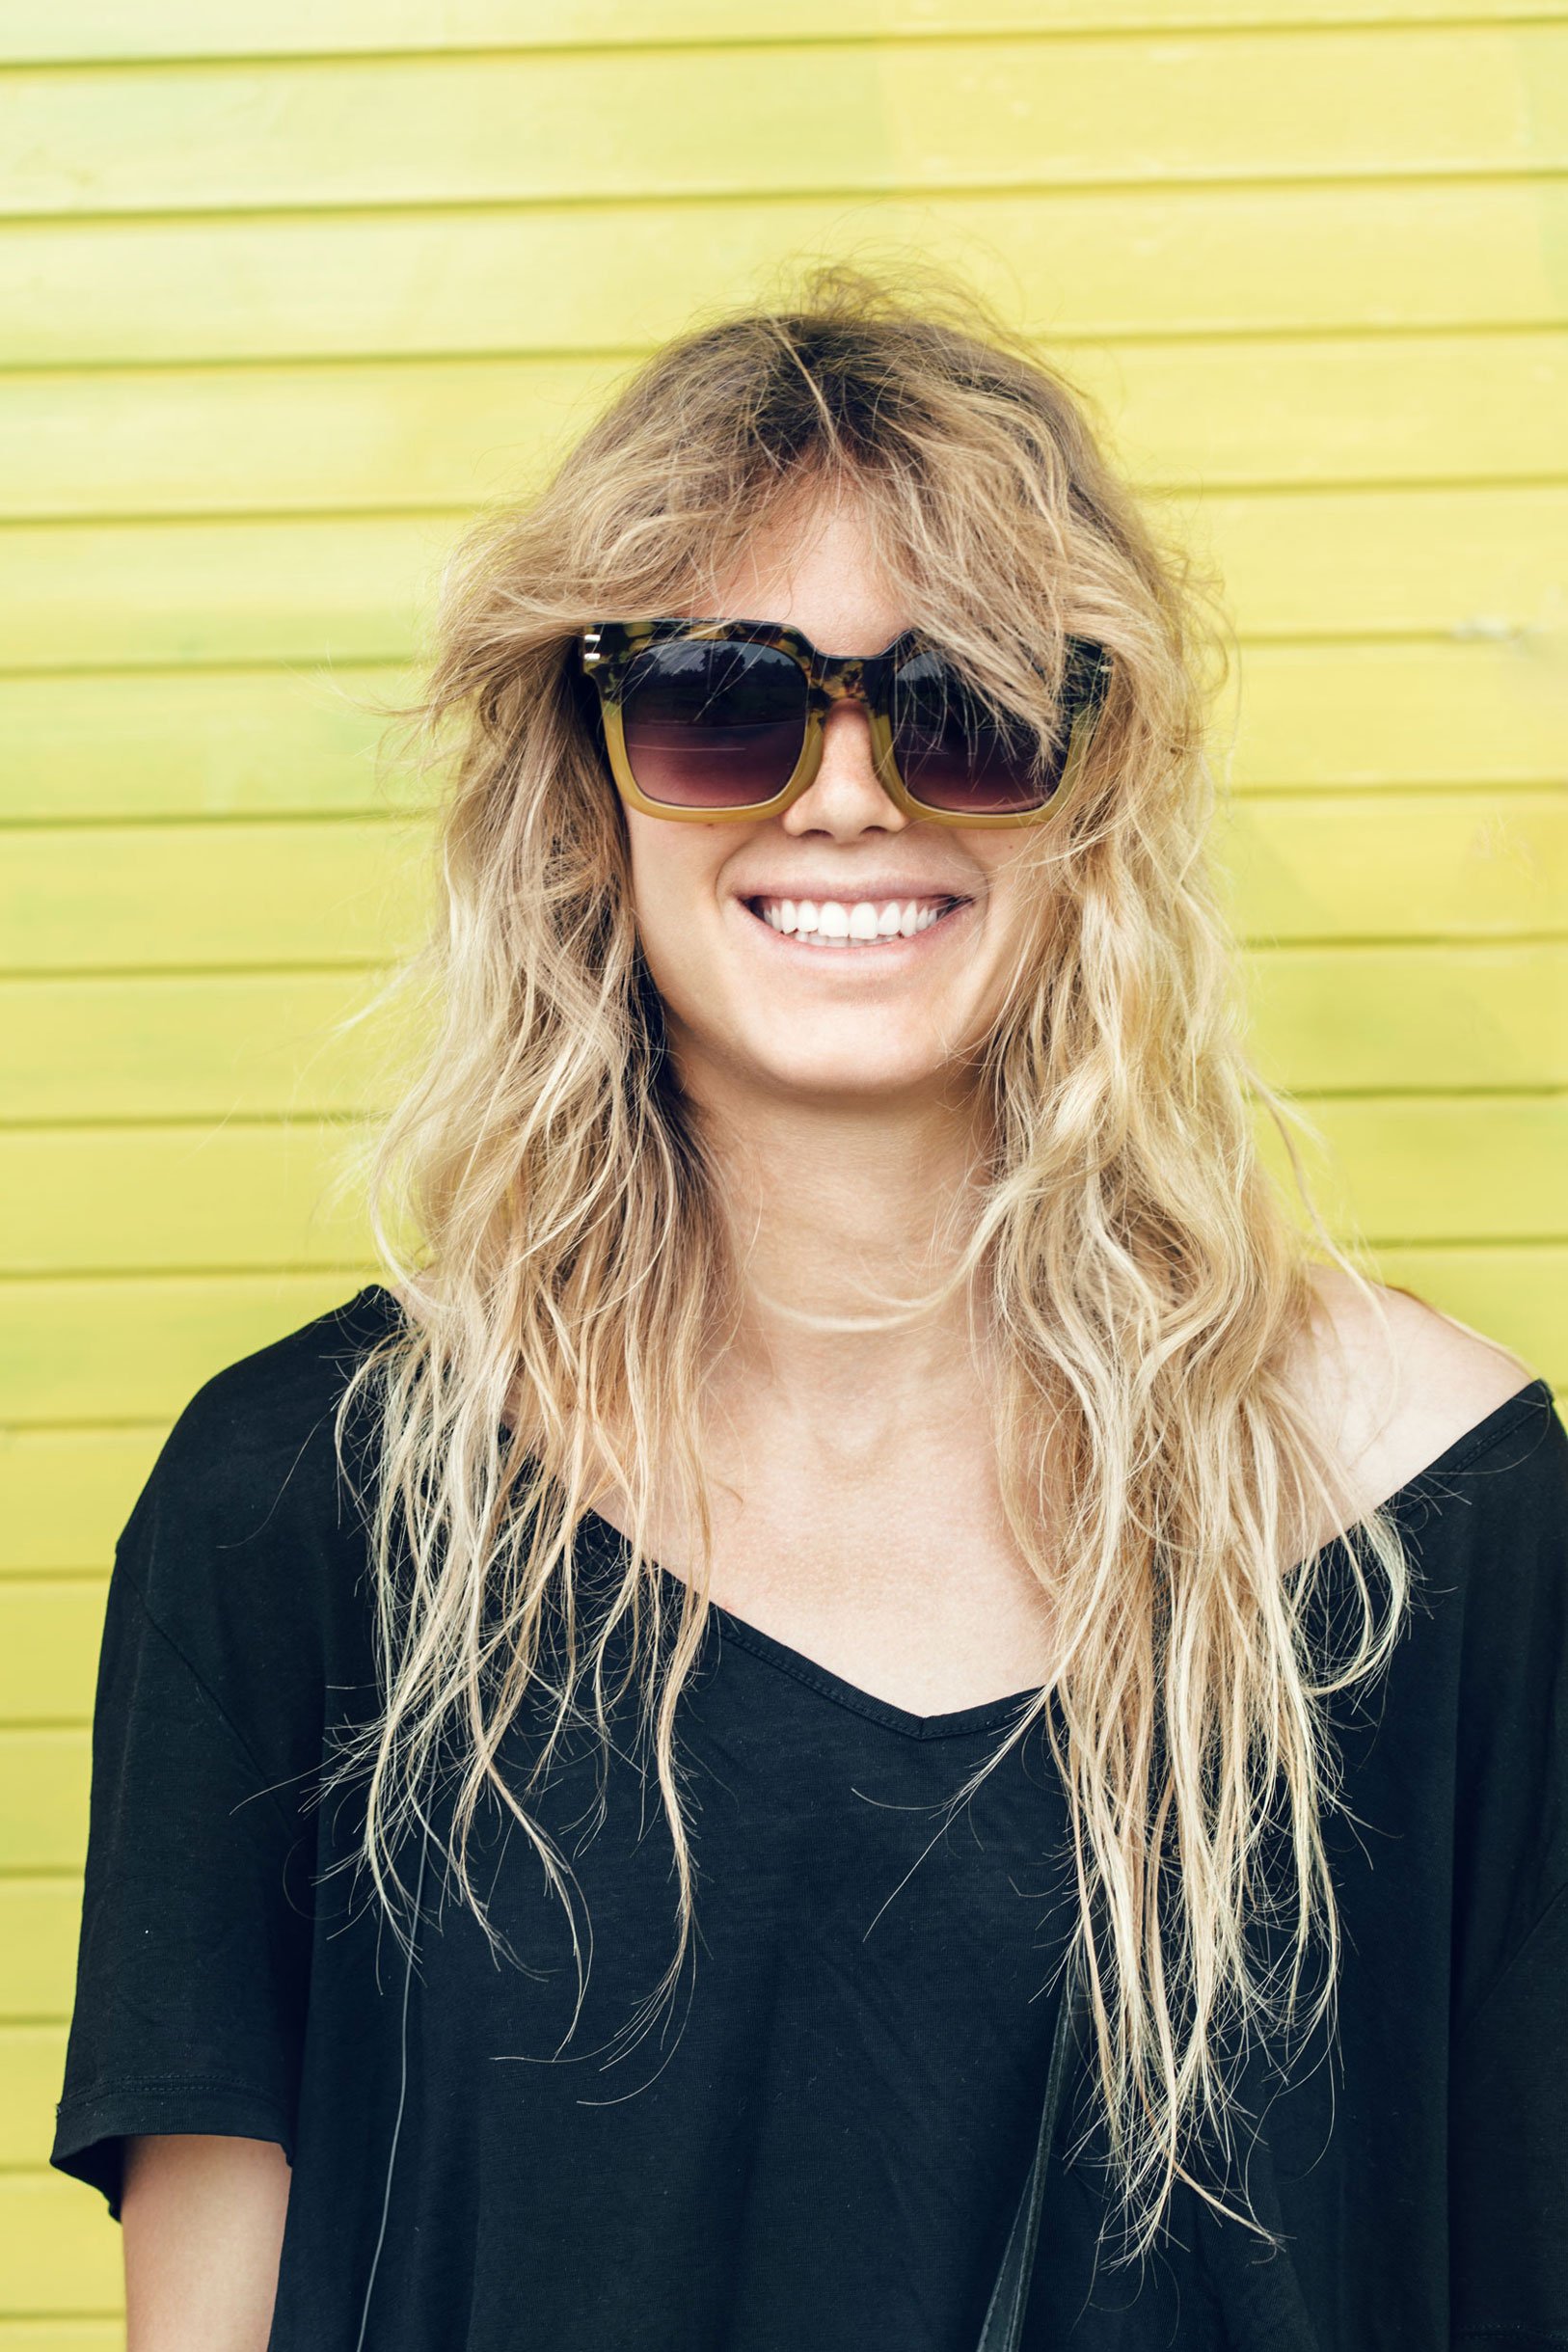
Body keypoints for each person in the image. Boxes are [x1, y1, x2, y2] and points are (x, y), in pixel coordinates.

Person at [50, 268, 1567, 2351]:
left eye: (960, 704)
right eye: (719, 696)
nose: (846, 793)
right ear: (586, 793)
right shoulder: (305, 1506)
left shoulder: (1436, 1509)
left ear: (1095, 787)